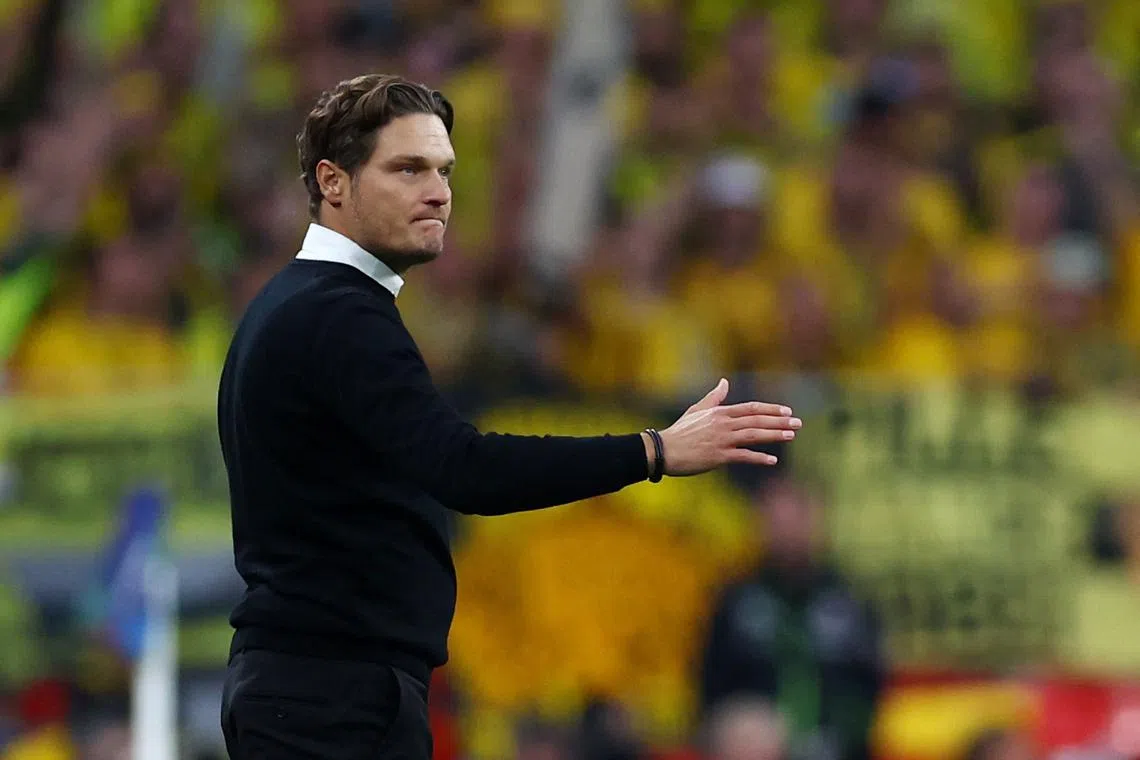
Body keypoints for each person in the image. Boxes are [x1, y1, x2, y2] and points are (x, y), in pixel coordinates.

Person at [217, 74, 802, 760]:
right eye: (406, 169)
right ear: (334, 182)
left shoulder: (295, 304)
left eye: (444, 171)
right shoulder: (341, 316)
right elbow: (464, 468)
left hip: (311, 685)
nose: (437, 193)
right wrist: (654, 451)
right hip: (330, 694)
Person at [698, 477, 882, 760]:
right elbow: (711, 694)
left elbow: (871, 692)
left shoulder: (850, 602)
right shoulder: (735, 603)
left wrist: (834, 734)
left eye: (795, 517)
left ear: (816, 521)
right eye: (776, 519)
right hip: (754, 744)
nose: (787, 531)